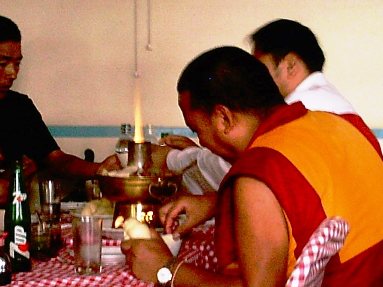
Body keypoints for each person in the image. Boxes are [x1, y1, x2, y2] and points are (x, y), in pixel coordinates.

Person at [121, 46, 383, 286]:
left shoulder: (259, 173)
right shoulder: (338, 124)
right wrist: (215, 202)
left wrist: (166, 269)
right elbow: (322, 192)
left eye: (197, 130)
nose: (200, 141)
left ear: (223, 117)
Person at [159, 18, 381, 197]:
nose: (253, 77)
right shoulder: (328, 104)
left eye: (259, 67)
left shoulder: (302, 115)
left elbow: (239, 174)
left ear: (290, 65)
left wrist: (174, 159)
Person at [0, 15, 120, 207]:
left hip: (17, 225)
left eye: (17, 64)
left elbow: (57, 160)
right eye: (3, 63)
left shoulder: (20, 108)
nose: (12, 73)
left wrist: (99, 169)